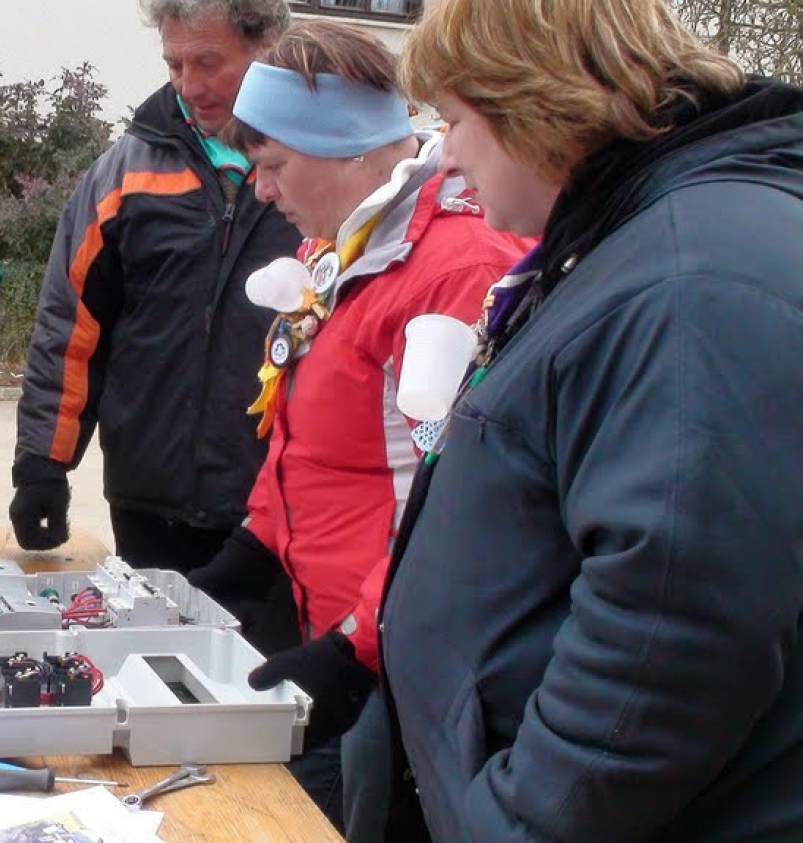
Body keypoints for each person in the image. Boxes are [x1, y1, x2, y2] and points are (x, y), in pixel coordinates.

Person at [371, 1, 803, 839]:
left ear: (532, 103)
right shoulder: (634, 241)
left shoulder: (689, 279)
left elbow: (675, 629)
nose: (447, 156)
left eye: (456, 121)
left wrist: (516, 820)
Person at [177, 20, 531, 837]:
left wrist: (355, 644)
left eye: (271, 166)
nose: (261, 190)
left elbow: (449, 502)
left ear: (344, 150)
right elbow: (310, 434)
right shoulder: (350, 251)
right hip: (335, 625)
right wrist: (251, 552)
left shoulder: (453, 269)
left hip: (396, 656)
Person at [9, 0, 301, 573]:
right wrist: (43, 464)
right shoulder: (125, 171)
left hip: (275, 504)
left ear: (265, 45)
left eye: (209, 62)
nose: (189, 85)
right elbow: (71, 329)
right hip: (149, 500)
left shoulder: (317, 165)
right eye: (174, 65)